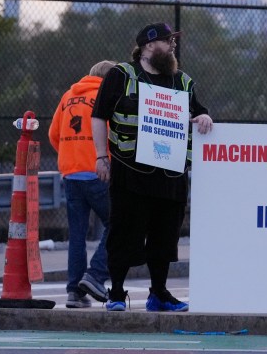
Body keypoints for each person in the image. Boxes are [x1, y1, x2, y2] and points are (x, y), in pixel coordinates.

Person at [91, 22, 213, 312]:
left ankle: (158, 294)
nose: (172, 46)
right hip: (129, 172)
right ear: (148, 46)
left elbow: (199, 110)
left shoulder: (182, 81)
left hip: (170, 175)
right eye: (166, 41)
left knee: (165, 238)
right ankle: (117, 293)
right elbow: (99, 116)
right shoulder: (122, 75)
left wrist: (205, 117)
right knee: (123, 233)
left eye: (172, 41)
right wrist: (100, 156)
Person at [48, 59, 116, 309]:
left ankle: (74, 291)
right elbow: (114, 134)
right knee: (119, 224)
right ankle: (95, 275)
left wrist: (70, 155)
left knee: (77, 235)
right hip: (98, 172)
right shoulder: (106, 96)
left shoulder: (68, 96)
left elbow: (53, 134)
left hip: (71, 174)